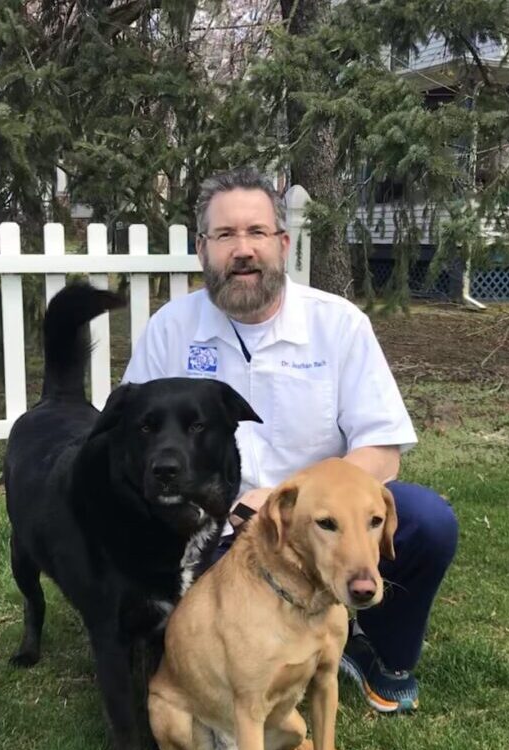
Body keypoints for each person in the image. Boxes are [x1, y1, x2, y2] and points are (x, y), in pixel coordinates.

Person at [122, 166, 458, 714]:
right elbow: (132, 442)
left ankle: (378, 654)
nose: (242, 250)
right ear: (202, 248)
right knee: (185, 640)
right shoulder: (170, 330)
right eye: (225, 236)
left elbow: (382, 449)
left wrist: (283, 499)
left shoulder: (338, 325)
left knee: (427, 521)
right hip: (209, 531)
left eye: (256, 233)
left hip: (318, 524)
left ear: (283, 243)